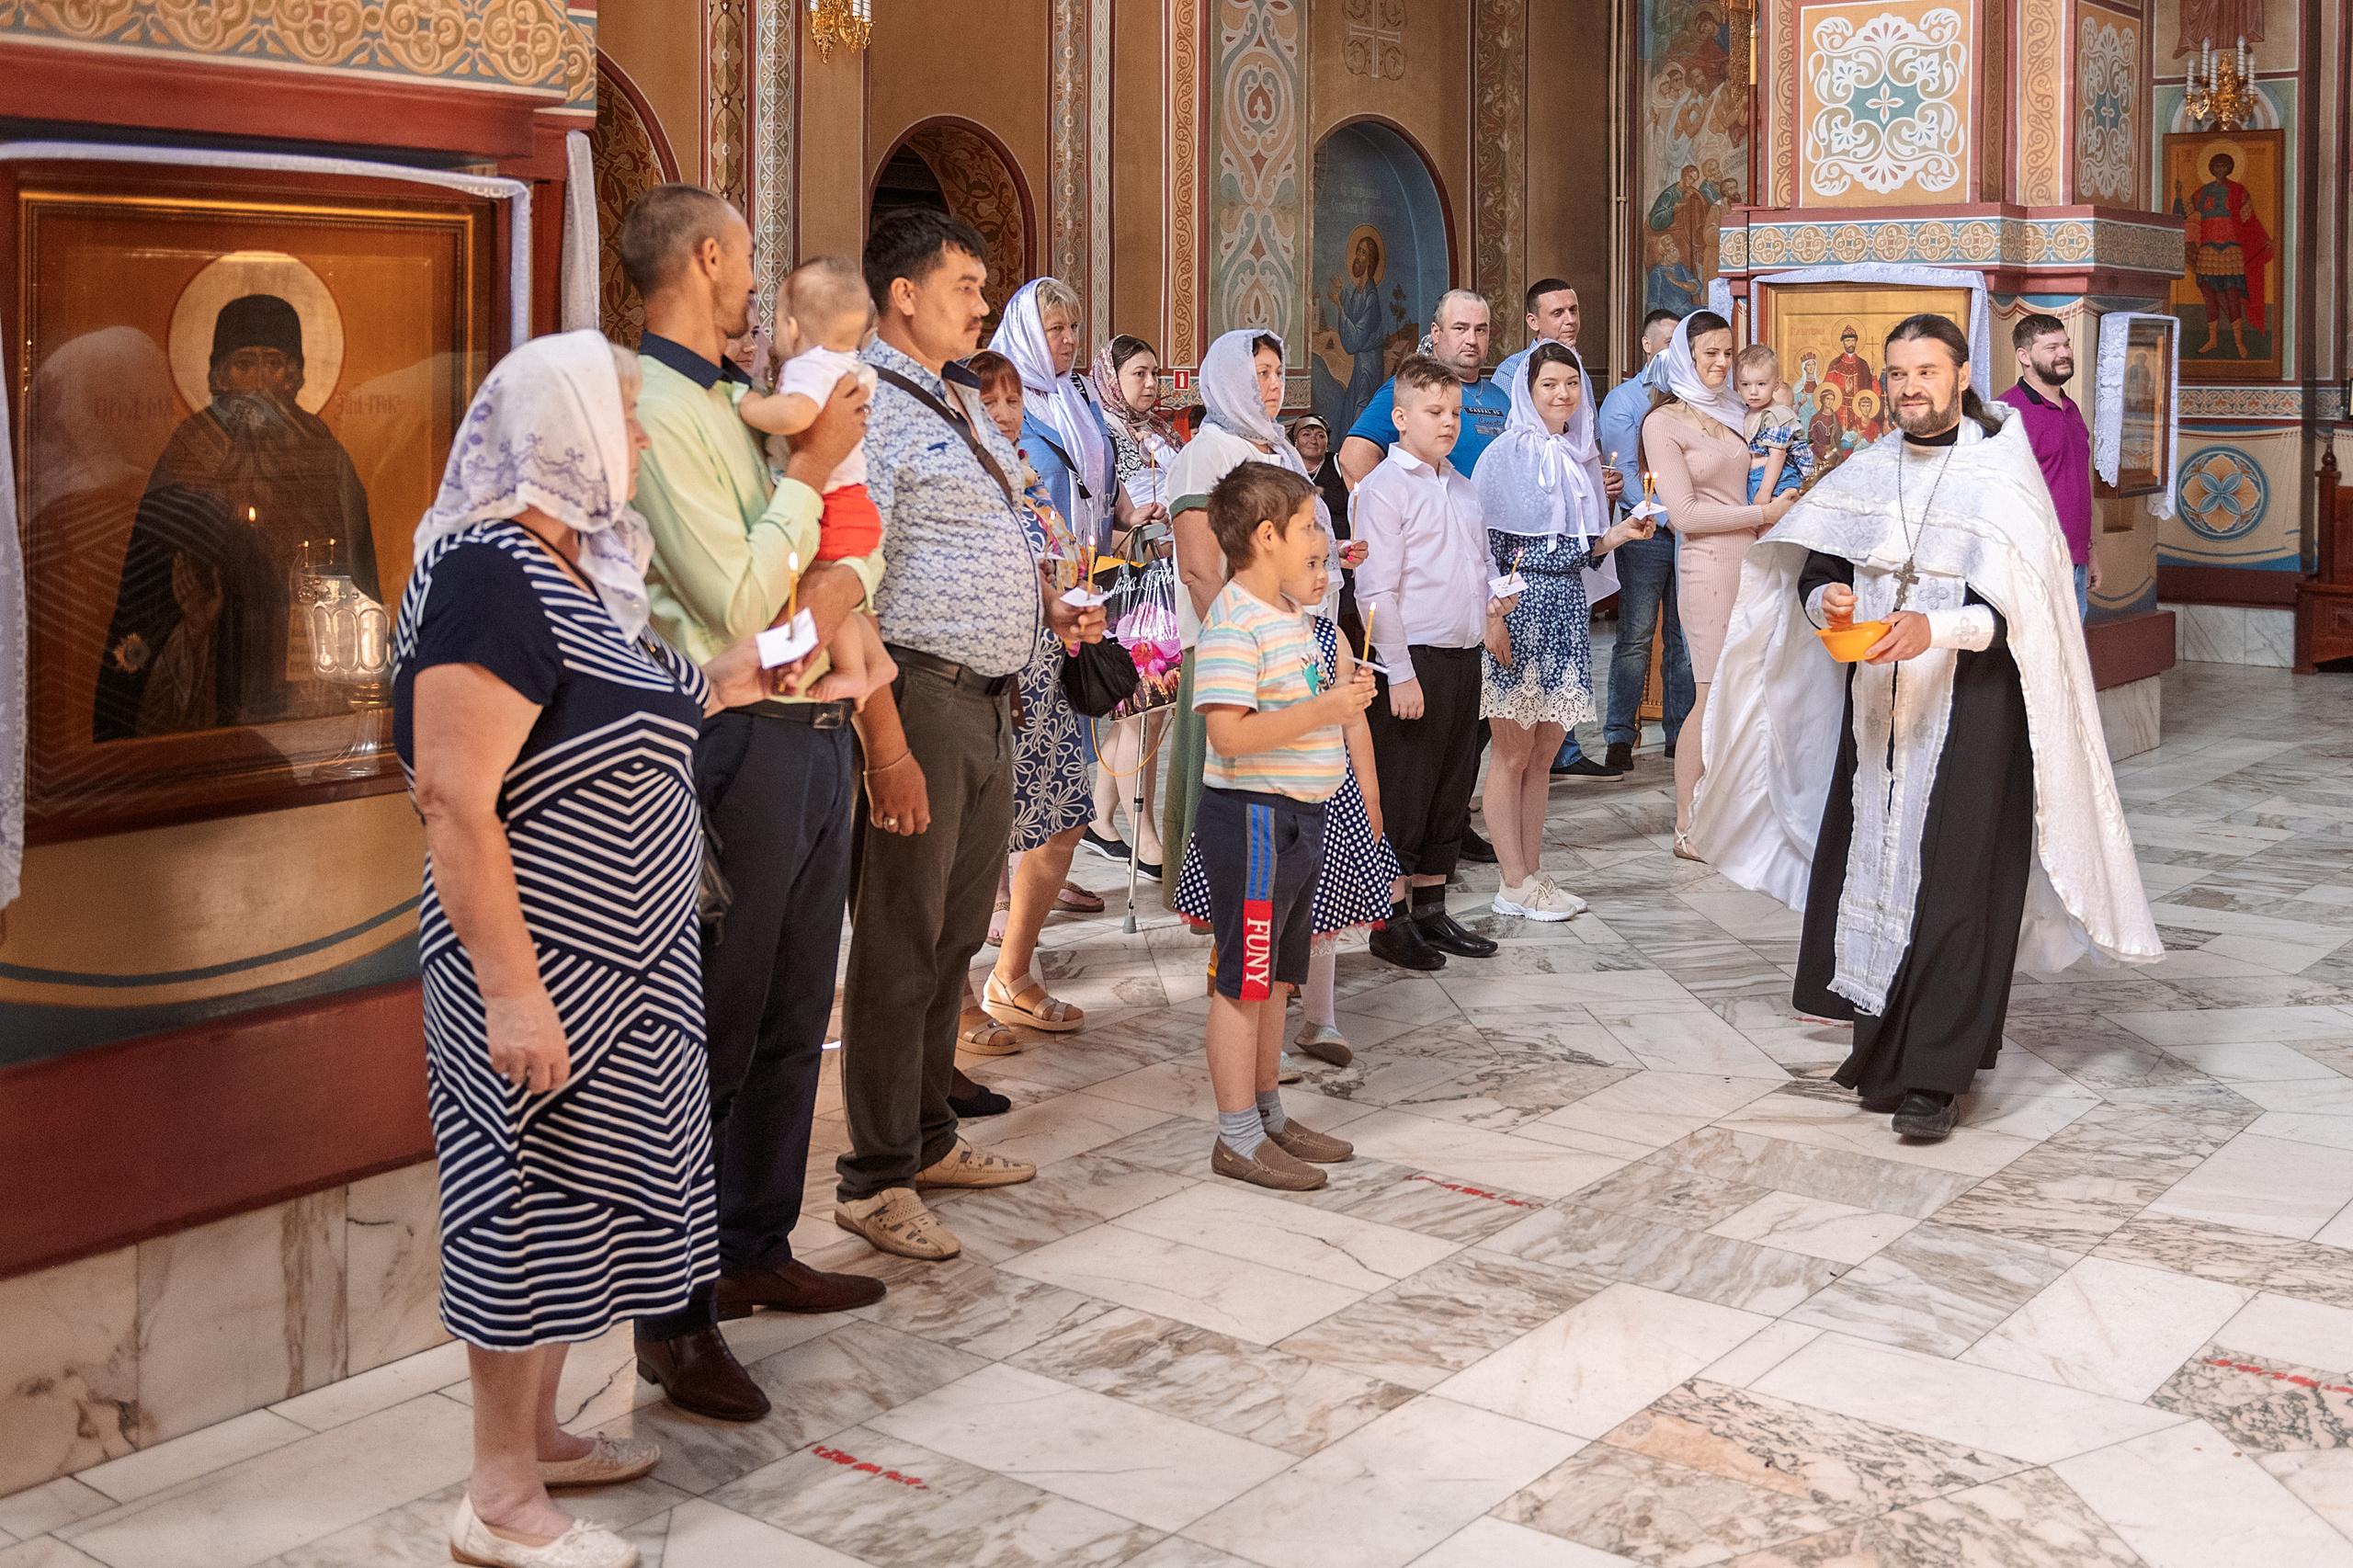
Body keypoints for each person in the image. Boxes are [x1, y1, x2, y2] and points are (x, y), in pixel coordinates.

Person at [397, 333, 767, 1567]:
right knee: (523, 1201)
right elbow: (454, 793)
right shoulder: (490, 574)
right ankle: (498, 1501)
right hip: (542, 970)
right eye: (623, 412)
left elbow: (659, 703)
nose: (645, 435)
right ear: (562, 429)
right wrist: (511, 989)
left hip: (625, 975)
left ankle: (544, 1434)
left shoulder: (582, 574)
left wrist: (748, 665)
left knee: (575, 1209)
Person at [1694, 312, 2159, 1141]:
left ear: (1962, 374)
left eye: (1926, 372)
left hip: (1977, 710)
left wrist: (1935, 630)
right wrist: (1825, 601)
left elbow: (2029, 612)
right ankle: (1884, 1051)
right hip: (1878, 715)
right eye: (1898, 373)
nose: (1910, 388)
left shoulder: (2002, 471)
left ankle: (1936, 1079)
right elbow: (1822, 567)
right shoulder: (1869, 469)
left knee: (1956, 887)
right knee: (1876, 873)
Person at [617, 184, 886, 1424]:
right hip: (735, 742)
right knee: (715, 1028)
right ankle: (673, 1316)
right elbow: (729, 604)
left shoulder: (735, 393)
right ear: (708, 257)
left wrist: (831, 590)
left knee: (791, 1008)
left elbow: (840, 557)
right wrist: (817, 489)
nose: (756, 286)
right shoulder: (662, 405)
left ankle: (754, 1238)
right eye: (744, 261)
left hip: (813, 723)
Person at [835, 208, 1106, 1263]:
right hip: (924, 699)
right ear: (903, 293)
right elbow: (849, 578)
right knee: (901, 940)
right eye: (963, 283)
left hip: (994, 692)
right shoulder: (865, 405)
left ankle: (928, 1134)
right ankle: (873, 1176)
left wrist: (1047, 608)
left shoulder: (953, 398)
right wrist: (886, 740)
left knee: (953, 937)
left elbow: (989, 531)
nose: (981, 303)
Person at [1182, 461, 1374, 1188]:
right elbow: (1229, 736)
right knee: (1244, 979)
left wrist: (1340, 696)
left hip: (1299, 815)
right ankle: (1235, 1134)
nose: (1319, 552)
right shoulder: (1232, 621)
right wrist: (1323, 712)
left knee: (1276, 979)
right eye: (1307, 536)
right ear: (1266, 538)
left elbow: (1304, 705)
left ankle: (1268, 1116)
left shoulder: (1291, 617)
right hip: (1254, 822)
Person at [98, 293, 380, 739]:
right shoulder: (188, 448)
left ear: (295, 375)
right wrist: (195, 628)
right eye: (244, 363)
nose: (259, 382)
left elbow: (353, 571)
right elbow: (150, 588)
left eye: (274, 364)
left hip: (304, 666)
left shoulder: (323, 452)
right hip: (210, 670)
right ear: (219, 375)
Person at [1476, 343, 1654, 919]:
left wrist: (1622, 533)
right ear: (1527, 390)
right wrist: (1491, 617)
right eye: (1550, 384)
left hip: (1566, 611)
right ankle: (1510, 881)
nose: (1563, 395)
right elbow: (1498, 549)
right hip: (1521, 611)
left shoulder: (1577, 456)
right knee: (1512, 751)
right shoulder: (1505, 455)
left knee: (1546, 750)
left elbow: (1577, 551)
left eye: (1572, 384)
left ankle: (1532, 874)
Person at [1160, 329, 1324, 914]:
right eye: (1259, 373)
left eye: (1279, 372)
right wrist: (1246, 647)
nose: (1273, 385)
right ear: (1229, 378)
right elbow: (1202, 570)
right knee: (1226, 781)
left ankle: (1270, 898)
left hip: (1289, 639)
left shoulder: (1275, 447)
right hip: (1233, 649)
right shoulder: (1208, 453)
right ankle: (1215, 909)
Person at [1354, 354, 1504, 971]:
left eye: (1456, 412)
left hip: (1463, 654)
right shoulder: (1385, 490)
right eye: (1435, 412)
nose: (1449, 423)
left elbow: (1478, 563)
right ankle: (1388, 921)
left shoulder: (1462, 489)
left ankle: (1431, 909)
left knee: (1450, 788)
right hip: (1412, 659)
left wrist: (1495, 598)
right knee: (1407, 793)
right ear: (1400, 416)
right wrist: (1401, 672)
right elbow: (1374, 592)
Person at [966, 346, 1093, 1037]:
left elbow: (1067, 556)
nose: (1006, 413)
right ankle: (954, 1002)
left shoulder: (1027, 478)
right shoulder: (967, 481)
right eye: (990, 401)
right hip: (987, 681)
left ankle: (1012, 971)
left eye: (1013, 400)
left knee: (1066, 817)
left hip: (1044, 677)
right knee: (974, 843)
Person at [1644, 311, 1797, 862]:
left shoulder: (1736, 411)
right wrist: (1761, 512)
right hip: (1707, 563)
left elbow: (1763, 469)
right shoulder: (1662, 424)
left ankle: (1737, 812)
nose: (1720, 363)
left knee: (1750, 689)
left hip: (1754, 556)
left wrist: (1782, 505)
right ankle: (1687, 820)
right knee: (1709, 690)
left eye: (1727, 353)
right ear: (1685, 355)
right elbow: (1684, 515)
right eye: (1708, 352)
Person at [733, 256, 893, 703]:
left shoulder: (809, 365)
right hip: (854, 502)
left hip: (833, 504)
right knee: (837, 585)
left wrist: (747, 408)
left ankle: (851, 670)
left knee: (819, 589)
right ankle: (875, 660)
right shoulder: (852, 365)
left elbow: (797, 413)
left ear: (792, 327)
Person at [1491, 277, 1631, 780]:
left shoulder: (1579, 375)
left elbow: (1579, 441)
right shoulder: (1515, 372)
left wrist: (1597, 483)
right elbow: (1523, 455)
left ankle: (1564, 750)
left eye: (1574, 310)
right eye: (1557, 313)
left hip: (1575, 516)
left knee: (1565, 663)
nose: (1569, 320)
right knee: (1518, 738)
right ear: (1533, 321)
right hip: (1528, 560)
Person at [1583, 307, 1696, 778]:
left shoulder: (1694, 401)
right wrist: (1669, 515)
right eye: (1666, 342)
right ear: (1647, 346)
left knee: (1685, 639)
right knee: (1634, 636)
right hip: (1644, 530)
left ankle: (1680, 735)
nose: (1674, 351)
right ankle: (1619, 736)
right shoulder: (1624, 400)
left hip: (1689, 533)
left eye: (1682, 343)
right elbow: (1624, 472)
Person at [1086, 333, 1181, 875]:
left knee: (1145, 713)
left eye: (1154, 373)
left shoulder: (1158, 431)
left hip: (1166, 579)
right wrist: (1141, 529)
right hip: (1129, 582)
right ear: (1111, 379)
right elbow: (1103, 520)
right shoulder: (1103, 437)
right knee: (1141, 710)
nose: (1150, 384)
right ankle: (1142, 831)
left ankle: (1101, 821)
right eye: (1138, 374)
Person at [1336, 289, 1510, 484]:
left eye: (1480, 330)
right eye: (1460, 329)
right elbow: (1353, 457)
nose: (1471, 340)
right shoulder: (1413, 386)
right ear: (1436, 332)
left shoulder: (1501, 396)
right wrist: (1391, 510)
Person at [1996, 313, 2097, 619]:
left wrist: (2089, 551)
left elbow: (2075, 485)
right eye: (2052, 347)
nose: (2065, 353)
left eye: (2065, 345)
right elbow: (1998, 497)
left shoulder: (2070, 407)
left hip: (2076, 560)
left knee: (2068, 664)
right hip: (2034, 563)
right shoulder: (2007, 414)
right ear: (2024, 356)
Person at [2174, 152, 2273, 358]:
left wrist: (2262, 239)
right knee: (2209, 296)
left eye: (2223, 165)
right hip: (2208, 250)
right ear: (2211, 168)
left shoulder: (2238, 191)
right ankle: (2212, 340)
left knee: (2232, 296)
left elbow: (2250, 221)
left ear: (2229, 168)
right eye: (2216, 166)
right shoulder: (2202, 192)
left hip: (2231, 250)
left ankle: (2239, 342)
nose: (2220, 169)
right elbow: (2182, 214)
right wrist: (2178, 195)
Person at [1734, 345, 1812, 502]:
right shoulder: (1746, 411)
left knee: (1771, 522)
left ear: (1776, 384)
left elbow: (1778, 454)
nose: (1753, 391)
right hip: (1755, 479)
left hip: (1774, 479)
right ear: (1737, 384)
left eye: (1761, 384)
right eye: (1745, 384)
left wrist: (1764, 491)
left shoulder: (1776, 415)